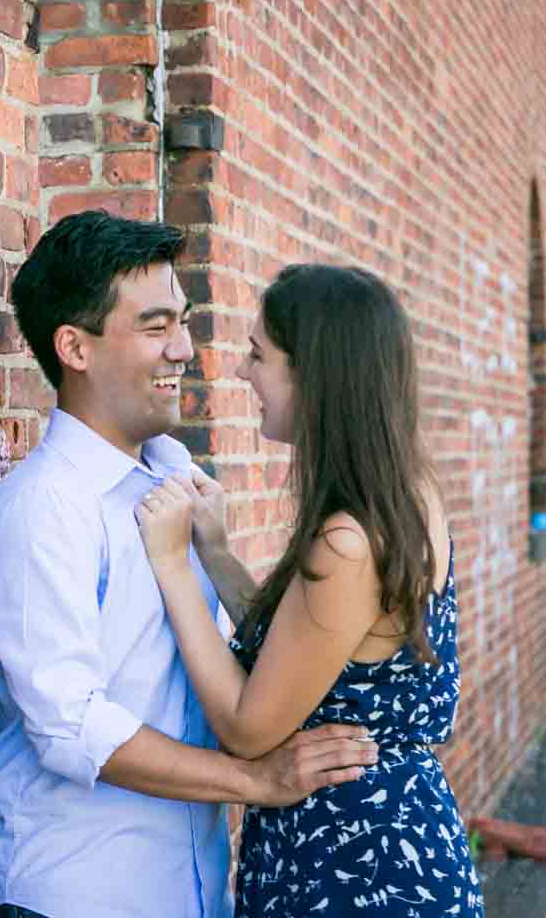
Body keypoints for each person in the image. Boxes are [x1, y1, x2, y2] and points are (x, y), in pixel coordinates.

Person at [0, 212, 378, 918]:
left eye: (182, 322)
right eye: (156, 325)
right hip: (80, 896)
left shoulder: (173, 475)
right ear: (75, 346)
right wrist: (255, 780)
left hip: (191, 894)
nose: (184, 349)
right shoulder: (43, 507)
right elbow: (71, 727)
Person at [134, 263, 483, 916]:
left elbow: (247, 726)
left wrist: (174, 567)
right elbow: (302, 652)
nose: (244, 373)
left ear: (313, 376)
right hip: (381, 844)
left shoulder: (349, 543)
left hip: (359, 868)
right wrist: (214, 553)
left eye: (259, 356)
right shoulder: (404, 494)